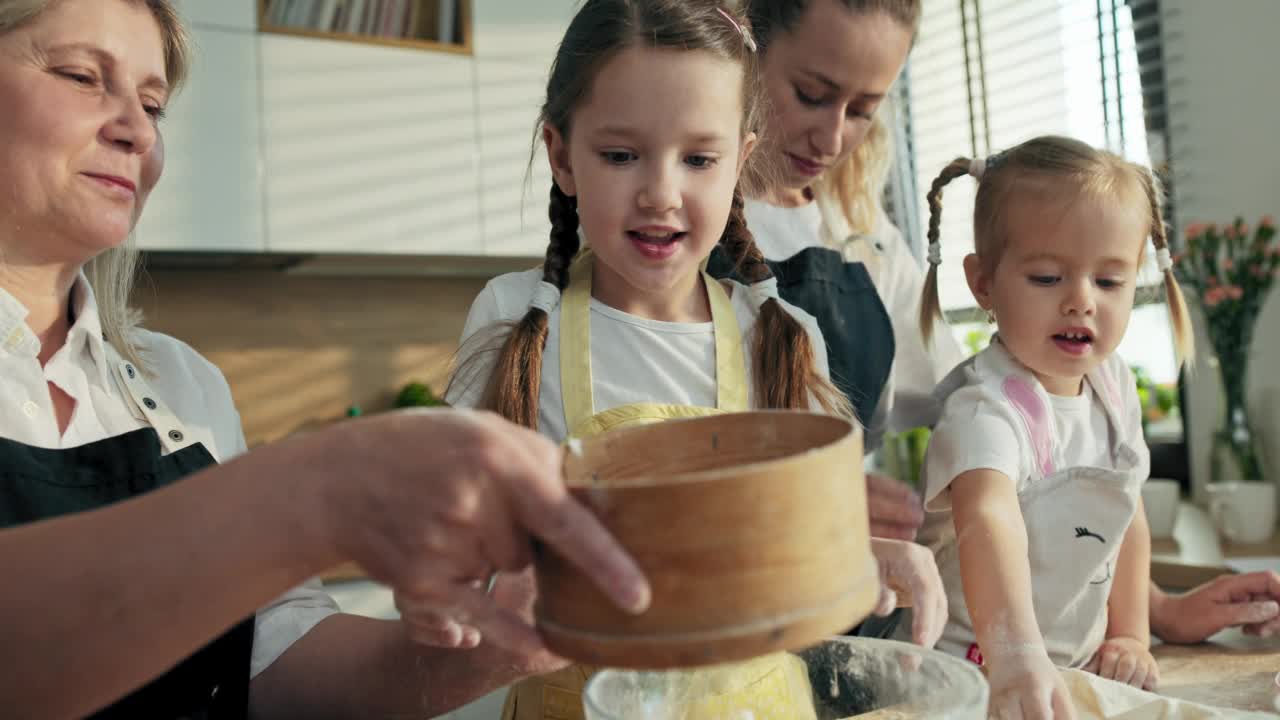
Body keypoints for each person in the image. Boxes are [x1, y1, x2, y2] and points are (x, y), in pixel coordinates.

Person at [0, 2, 650, 717]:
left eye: (153, 104)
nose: (136, 130)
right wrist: (317, 491)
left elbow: (268, 666)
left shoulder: (180, 385)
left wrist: (516, 642)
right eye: (81, 76)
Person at [442, 2, 947, 717]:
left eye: (699, 159)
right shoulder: (514, 319)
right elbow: (453, 545)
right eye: (622, 155)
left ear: (739, 164)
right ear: (563, 157)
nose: (661, 192)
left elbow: (794, 558)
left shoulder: (782, 333)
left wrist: (862, 554)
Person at [731, 0, 1280, 650]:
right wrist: (798, 506)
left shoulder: (861, 233)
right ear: (739, 44)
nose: (832, 139)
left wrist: (1147, 610)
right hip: (741, 610)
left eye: (863, 110)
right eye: (812, 95)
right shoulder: (669, 240)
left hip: (852, 603)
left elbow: (1033, 462)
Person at [908, 136, 1195, 718]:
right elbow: (987, 517)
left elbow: (1125, 516)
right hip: (972, 674)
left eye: (1109, 282)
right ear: (983, 283)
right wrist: (1014, 656)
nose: (1080, 302)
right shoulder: (986, 409)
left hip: (1066, 669)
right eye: (1046, 278)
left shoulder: (1112, 390)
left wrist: (1130, 633)